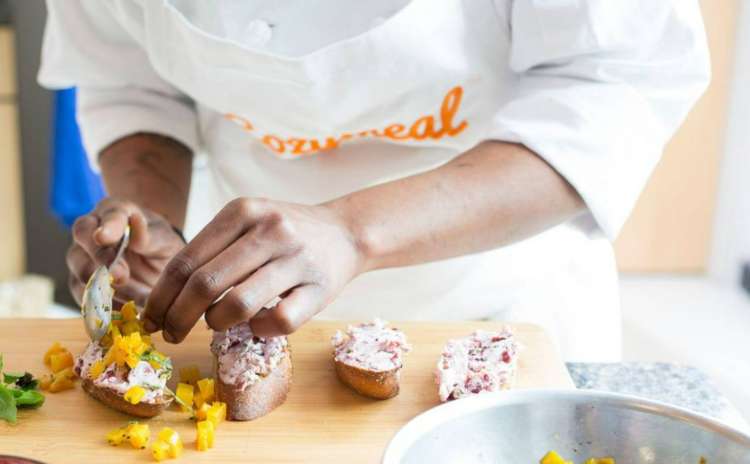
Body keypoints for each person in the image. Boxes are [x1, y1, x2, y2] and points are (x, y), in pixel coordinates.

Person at [39, 0, 710, 361]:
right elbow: (131, 77)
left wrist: (348, 229)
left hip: (500, 296)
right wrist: (156, 224)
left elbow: (614, 89)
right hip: (244, 302)